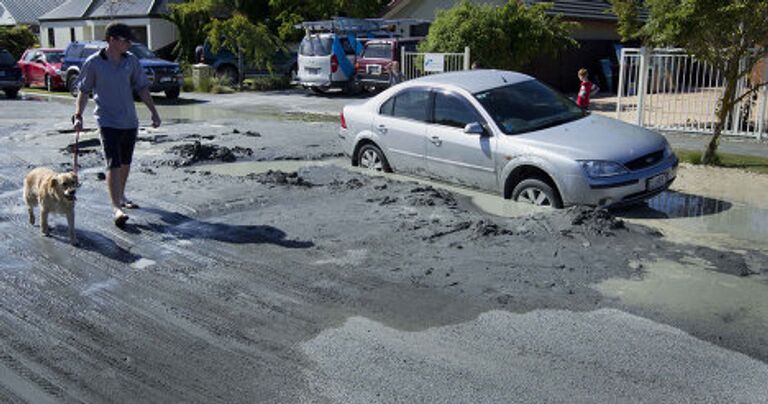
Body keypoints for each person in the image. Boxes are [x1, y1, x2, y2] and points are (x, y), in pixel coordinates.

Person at [72, 22, 161, 228]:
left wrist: (154, 112)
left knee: (125, 162)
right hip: (107, 120)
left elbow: (142, 88)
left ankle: (120, 195)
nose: (129, 44)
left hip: (129, 121)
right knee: (113, 162)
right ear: (111, 39)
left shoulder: (131, 61)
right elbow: (84, 91)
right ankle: (116, 208)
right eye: (125, 40)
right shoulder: (94, 63)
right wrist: (78, 115)